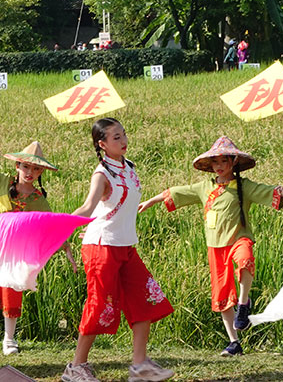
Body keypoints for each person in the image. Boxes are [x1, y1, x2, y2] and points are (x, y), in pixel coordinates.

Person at [139, 135, 283, 357]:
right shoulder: (204, 187)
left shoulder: (244, 186)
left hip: (238, 239)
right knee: (222, 295)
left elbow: (273, 190)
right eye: (215, 162)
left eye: (224, 161)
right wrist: (151, 201)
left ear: (233, 162)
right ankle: (234, 342)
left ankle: (244, 304)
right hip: (215, 247)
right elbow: (175, 192)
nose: (219, 166)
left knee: (245, 261)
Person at [64, 117, 174, 382]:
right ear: (102, 144)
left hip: (125, 246)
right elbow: (89, 206)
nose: (124, 141)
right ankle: (76, 367)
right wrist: (64, 228)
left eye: (124, 135)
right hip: (101, 247)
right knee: (99, 304)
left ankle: (139, 366)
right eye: (116, 138)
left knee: (145, 298)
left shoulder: (129, 167)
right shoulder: (102, 174)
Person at [0, 134, 69, 356]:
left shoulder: (39, 200)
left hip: (15, 254)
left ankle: (9, 340)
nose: (29, 173)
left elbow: (52, 226)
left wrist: (66, 246)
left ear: (40, 172)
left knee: (12, 292)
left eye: (35, 169)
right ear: (17, 166)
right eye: (25, 167)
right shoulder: (3, 183)